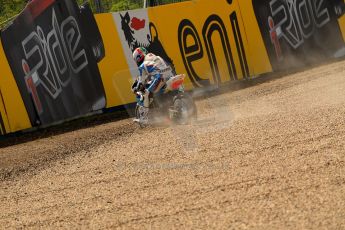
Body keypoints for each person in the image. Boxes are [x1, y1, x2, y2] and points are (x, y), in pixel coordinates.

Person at [131, 47, 174, 123]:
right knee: (160, 92)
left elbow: (141, 82)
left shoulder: (142, 66)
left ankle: (144, 118)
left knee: (146, 93)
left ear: (138, 59)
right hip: (170, 74)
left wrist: (136, 88)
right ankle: (166, 113)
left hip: (160, 77)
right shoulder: (155, 57)